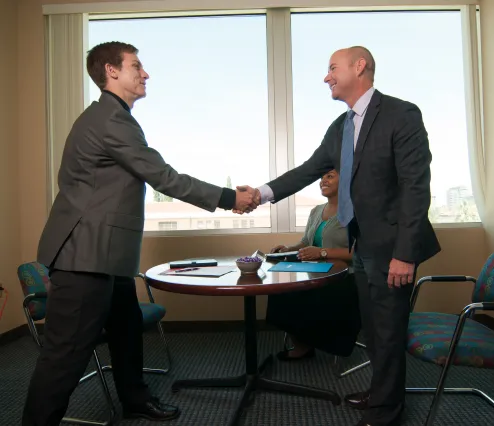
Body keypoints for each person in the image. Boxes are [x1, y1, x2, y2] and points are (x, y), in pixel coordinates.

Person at [22, 41, 256, 426]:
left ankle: (134, 399)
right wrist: (231, 197)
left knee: (127, 331)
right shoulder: (109, 119)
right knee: (64, 357)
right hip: (85, 257)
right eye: (136, 65)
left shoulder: (113, 117)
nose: (145, 73)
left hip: (106, 257)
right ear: (111, 71)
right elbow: (163, 176)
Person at [238, 46, 441, 426]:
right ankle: (382, 393)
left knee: (389, 329)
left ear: (359, 66)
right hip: (360, 244)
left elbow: (416, 187)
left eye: (332, 68)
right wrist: (259, 195)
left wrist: (406, 254)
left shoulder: (401, 114)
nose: (326, 76)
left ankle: (387, 411)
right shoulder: (340, 126)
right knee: (375, 331)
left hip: (392, 247)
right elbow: (307, 170)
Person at [265, 169, 360, 361]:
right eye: (322, 177)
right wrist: (287, 249)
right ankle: (303, 345)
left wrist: (323, 252)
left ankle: (324, 344)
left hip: (344, 278)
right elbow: (306, 242)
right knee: (282, 292)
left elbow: (359, 252)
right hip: (315, 274)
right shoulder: (316, 211)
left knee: (307, 298)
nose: (323, 180)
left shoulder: (355, 212)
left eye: (330, 176)